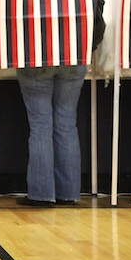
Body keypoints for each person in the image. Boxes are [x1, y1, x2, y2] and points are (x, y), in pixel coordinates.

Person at [14, 65, 88, 207]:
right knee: (67, 124)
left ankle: (41, 194)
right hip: (75, 56)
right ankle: (67, 194)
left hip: (36, 59)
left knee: (40, 124)